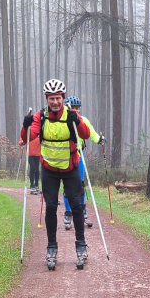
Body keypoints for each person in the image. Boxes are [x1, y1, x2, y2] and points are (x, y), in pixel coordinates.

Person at [20, 79, 91, 270]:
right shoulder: (41, 116)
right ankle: (51, 246)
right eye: (51, 99)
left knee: (77, 206)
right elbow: (28, 136)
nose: (55, 102)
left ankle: (81, 245)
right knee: (51, 207)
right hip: (49, 170)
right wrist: (26, 125)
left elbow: (84, 134)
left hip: (71, 168)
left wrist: (77, 121)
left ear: (63, 98)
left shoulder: (71, 115)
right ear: (47, 99)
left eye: (58, 98)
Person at [61, 96, 106, 229]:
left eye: (77, 108)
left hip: (79, 156)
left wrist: (100, 139)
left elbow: (91, 133)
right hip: (64, 157)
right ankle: (68, 212)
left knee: (80, 185)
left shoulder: (83, 120)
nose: (76, 111)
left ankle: (82, 208)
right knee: (67, 187)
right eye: (73, 108)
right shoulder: (63, 120)